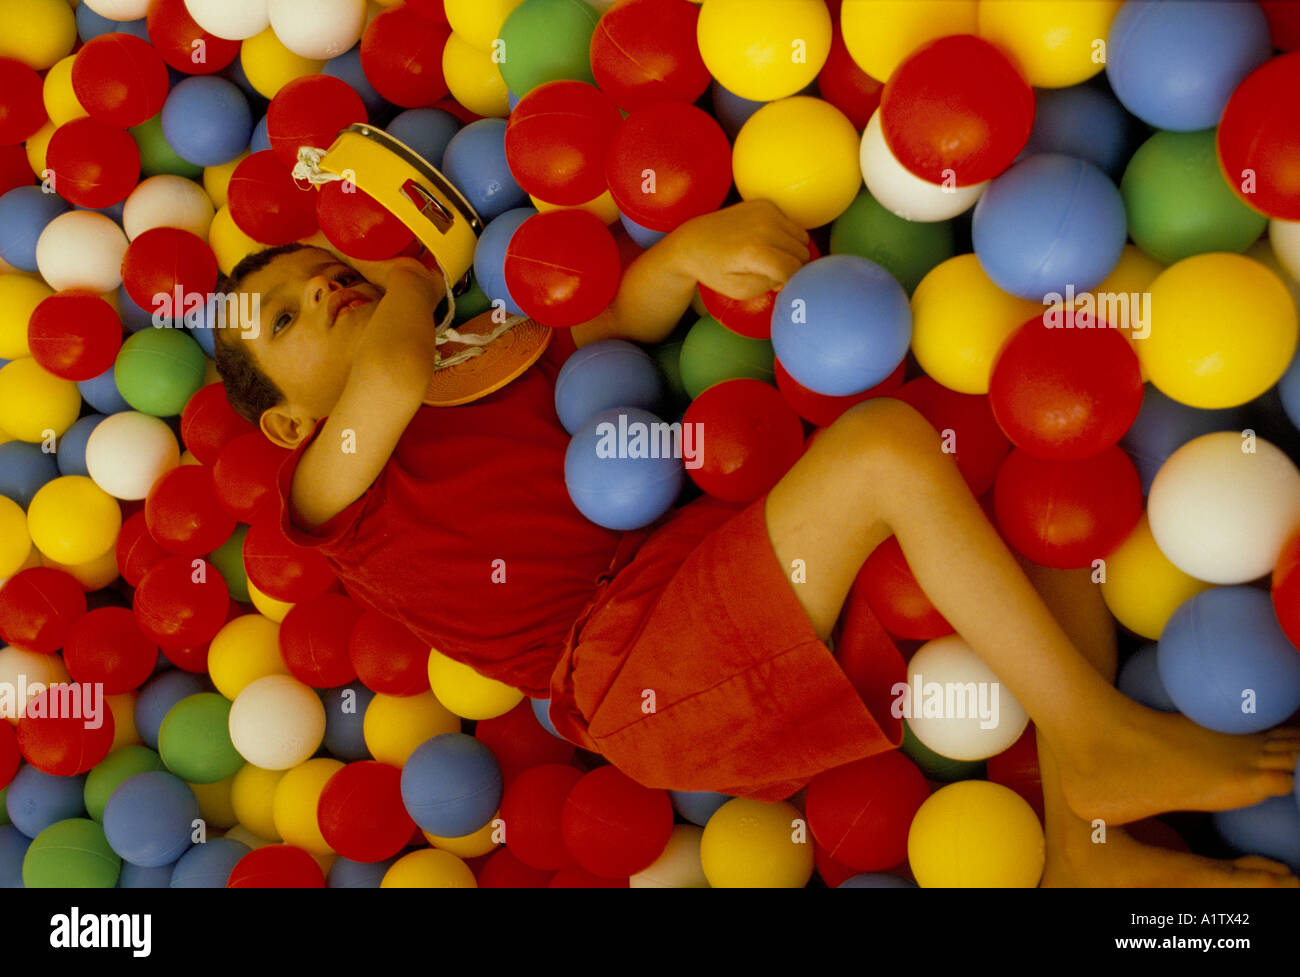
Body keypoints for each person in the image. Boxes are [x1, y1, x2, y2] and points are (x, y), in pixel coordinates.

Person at [215, 198, 1300, 887]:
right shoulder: (330, 483)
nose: (319, 285)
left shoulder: (471, 352)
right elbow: (394, 375)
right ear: (284, 421)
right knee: (881, 444)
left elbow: (603, 330)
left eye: (317, 270)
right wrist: (406, 277)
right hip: (634, 670)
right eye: (287, 319)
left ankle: (1083, 842)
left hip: (702, 568)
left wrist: (689, 250)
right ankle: (1099, 735)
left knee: (1039, 485)